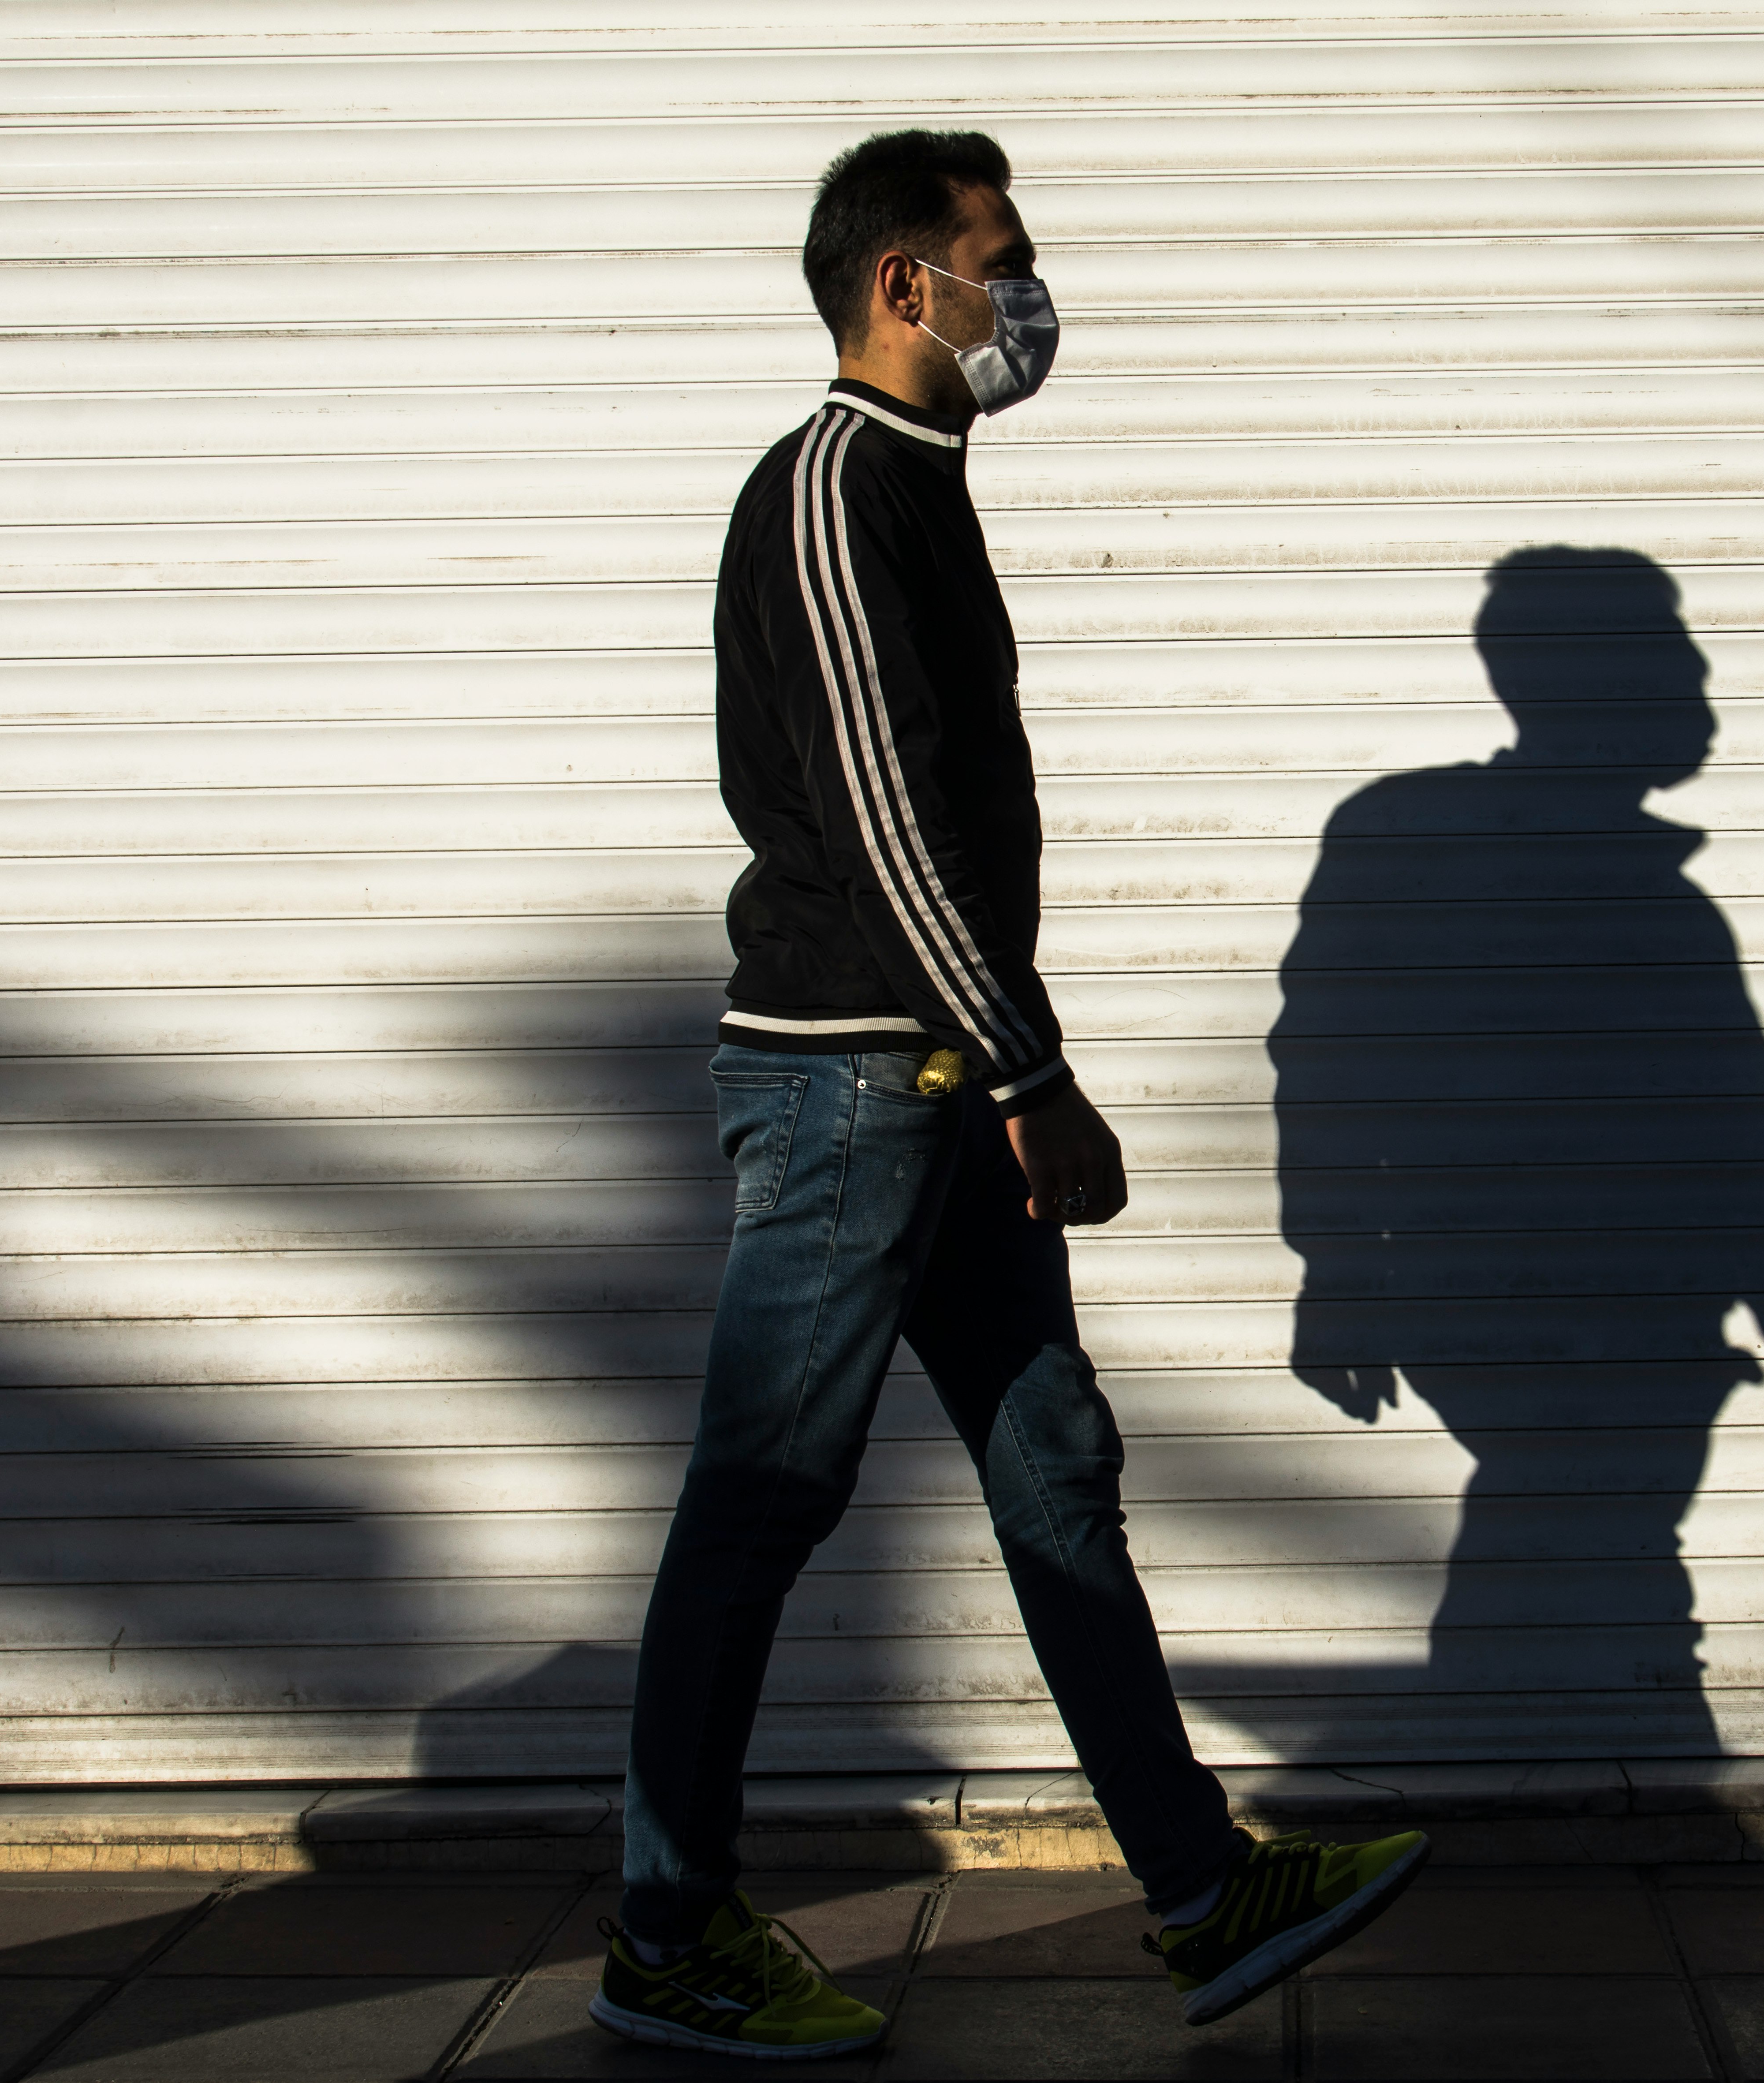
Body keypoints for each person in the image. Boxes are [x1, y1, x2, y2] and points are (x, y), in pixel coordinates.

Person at [588, 129, 1427, 2061]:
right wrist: (1035, 1071)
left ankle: (1199, 1882)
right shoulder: (827, 492)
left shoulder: (918, 490)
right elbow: (886, 829)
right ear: (906, 284)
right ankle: (665, 1930)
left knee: (1054, 1460)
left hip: (938, 1083)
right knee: (757, 1502)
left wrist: (1002, 1068)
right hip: (852, 1089)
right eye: (1002, 259)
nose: (1027, 298)